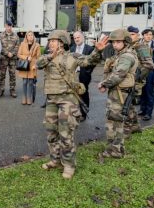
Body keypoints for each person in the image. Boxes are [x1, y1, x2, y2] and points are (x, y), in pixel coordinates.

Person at [38, 30, 106, 179]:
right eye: (50, 41)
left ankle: (68, 164)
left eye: (53, 41)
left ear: (62, 42)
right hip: (51, 99)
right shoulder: (46, 57)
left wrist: (97, 51)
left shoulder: (72, 56)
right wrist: (51, 55)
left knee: (65, 132)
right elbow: (38, 64)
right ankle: (55, 159)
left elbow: (89, 61)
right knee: (50, 131)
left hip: (67, 99)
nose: (50, 43)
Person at [98, 29, 139, 159]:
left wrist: (104, 84)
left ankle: (116, 150)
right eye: (113, 42)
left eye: (118, 42)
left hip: (120, 93)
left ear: (125, 42)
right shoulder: (120, 55)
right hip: (116, 92)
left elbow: (119, 74)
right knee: (112, 120)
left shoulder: (126, 56)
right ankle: (114, 148)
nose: (114, 44)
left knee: (116, 122)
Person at [69, 31, 95, 108]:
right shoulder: (72, 48)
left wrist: (88, 72)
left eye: (78, 37)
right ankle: (76, 110)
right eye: (75, 38)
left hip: (84, 74)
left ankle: (84, 112)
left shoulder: (90, 49)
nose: (76, 39)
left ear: (83, 37)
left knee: (84, 93)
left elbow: (93, 63)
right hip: (74, 75)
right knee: (74, 93)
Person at [0, 20, 20, 98]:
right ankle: (1, 90)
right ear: (5, 26)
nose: (9, 28)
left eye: (10, 26)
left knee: (12, 75)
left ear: (11, 26)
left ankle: (12, 90)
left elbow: (17, 46)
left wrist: (12, 53)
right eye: (7, 26)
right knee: (2, 75)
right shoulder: (1, 35)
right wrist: (7, 53)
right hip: (3, 59)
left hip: (12, 59)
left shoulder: (16, 36)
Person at [17, 31, 40, 105]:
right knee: (24, 82)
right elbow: (19, 54)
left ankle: (29, 98)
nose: (30, 36)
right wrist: (26, 57)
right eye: (28, 35)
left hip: (32, 66)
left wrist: (35, 65)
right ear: (26, 37)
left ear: (33, 36)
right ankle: (24, 97)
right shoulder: (22, 44)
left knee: (30, 82)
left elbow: (38, 57)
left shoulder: (37, 45)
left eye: (31, 35)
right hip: (24, 65)